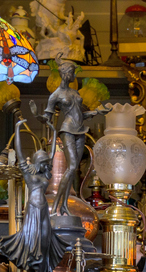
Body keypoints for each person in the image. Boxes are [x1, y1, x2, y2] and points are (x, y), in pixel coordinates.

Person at [38, 54, 109, 216]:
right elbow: (47, 117)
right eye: (71, 72)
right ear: (64, 73)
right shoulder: (56, 95)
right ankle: (56, 206)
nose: (74, 75)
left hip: (80, 130)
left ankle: (64, 205)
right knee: (70, 168)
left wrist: (97, 112)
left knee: (74, 168)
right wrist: (38, 116)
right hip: (68, 130)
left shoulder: (74, 92)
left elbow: (80, 115)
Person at [0, 119, 68, 272]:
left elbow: (52, 152)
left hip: (43, 209)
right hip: (33, 209)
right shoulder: (28, 173)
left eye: (47, 163)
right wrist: (17, 128)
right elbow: (20, 152)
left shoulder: (45, 173)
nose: (47, 165)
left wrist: (54, 131)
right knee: (32, 242)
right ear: (38, 162)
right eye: (44, 162)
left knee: (45, 240)